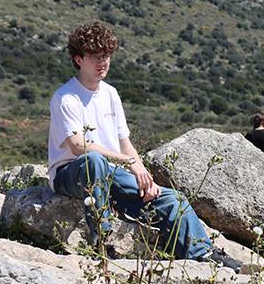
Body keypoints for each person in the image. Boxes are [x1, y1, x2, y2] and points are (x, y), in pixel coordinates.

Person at [48, 20, 239, 270]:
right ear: (78, 59)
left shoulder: (110, 93)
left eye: (106, 55)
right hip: (71, 174)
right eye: (94, 56)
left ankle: (204, 255)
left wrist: (141, 172)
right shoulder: (66, 97)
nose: (102, 62)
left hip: (109, 172)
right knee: (93, 160)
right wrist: (126, 162)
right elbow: (77, 146)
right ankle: (103, 242)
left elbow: (124, 142)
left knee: (172, 199)